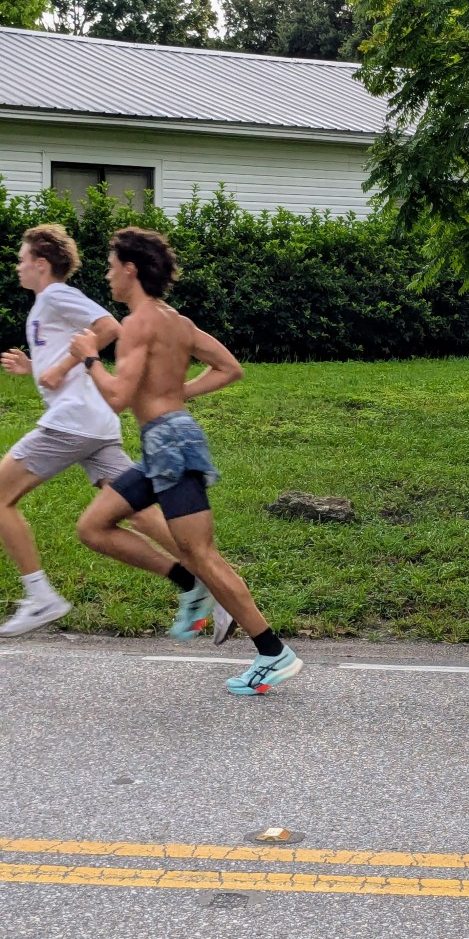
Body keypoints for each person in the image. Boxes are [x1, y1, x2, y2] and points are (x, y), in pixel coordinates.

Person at [70, 227, 302, 696]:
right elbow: (229, 367)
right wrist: (178, 394)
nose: (109, 275)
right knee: (94, 526)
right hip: (165, 444)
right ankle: (187, 584)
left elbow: (117, 397)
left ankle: (272, 651)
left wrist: (90, 357)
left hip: (171, 447)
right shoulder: (177, 322)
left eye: (112, 267)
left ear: (131, 269)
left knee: (203, 553)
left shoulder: (137, 324)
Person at [0, 224, 216, 640]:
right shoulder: (45, 304)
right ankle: (205, 581)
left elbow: (107, 327)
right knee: (137, 511)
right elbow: (65, 359)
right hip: (92, 423)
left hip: (71, 424)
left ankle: (40, 594)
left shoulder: (55, 294)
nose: (18, 266)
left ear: (41, 264)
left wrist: (62, 365)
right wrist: (36, 368)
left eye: (22, 259)